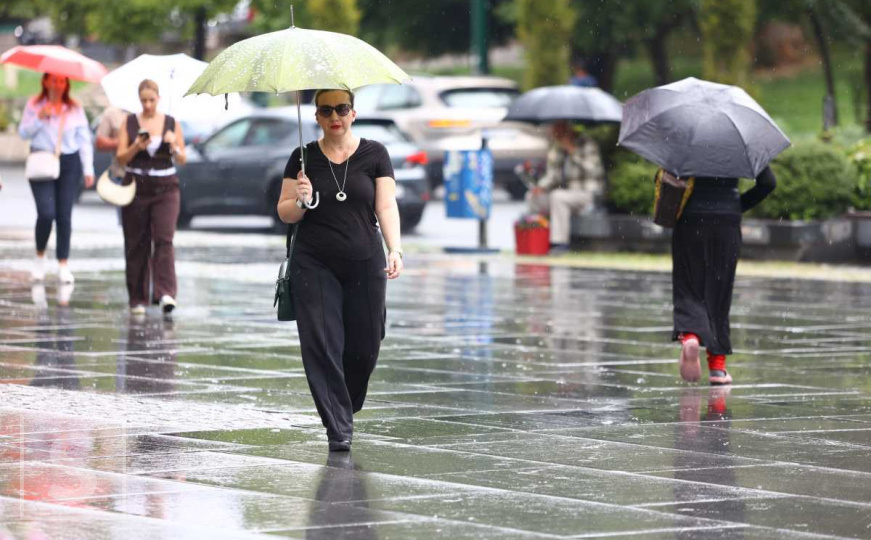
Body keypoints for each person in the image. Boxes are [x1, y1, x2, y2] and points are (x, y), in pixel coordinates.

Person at [277, 89, 403, 452]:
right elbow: (284, 211)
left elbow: (387, 206)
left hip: (365, 259)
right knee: (322, 344)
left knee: (365, 346)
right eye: (326, 109)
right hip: (313, 263)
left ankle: (345, 403)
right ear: (316, 116)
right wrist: (300, 199)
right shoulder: (301, 157)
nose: (335, 115)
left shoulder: (375, 153)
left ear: (353, 113)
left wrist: (395, 249)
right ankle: (338, 426)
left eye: (341, 108)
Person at [672, 166, 776, 386]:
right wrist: (737, 205)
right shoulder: (739, 140)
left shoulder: (687, 139)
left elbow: (667, 180)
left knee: (689, 285)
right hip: (727, 221)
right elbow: (768, 183)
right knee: (720, 291)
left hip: (691, 217)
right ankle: (717, 367)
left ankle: (691, 335)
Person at [115, 79, 186, 315]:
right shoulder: (130, 121)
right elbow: (121, 158)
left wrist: (174, 145)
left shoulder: (171, 123)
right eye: (144, 100)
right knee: (136, 242)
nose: (147, 105)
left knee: (164, 238)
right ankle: (137, 297)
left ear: (159, 98)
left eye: (151, 100)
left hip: (166, 186)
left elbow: (183, 158)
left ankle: (165, 292)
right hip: (136, 185)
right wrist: (136, 145)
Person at [18, 73, 95, 284]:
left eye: (62, 81)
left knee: (64, 215)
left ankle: (63, 263)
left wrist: (88, 168)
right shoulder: (35, 105)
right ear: (44, 81)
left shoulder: (74, 108)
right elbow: (23, 133)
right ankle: (40, 255)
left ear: (66, 84)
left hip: (69, 163)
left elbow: (84, 140)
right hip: (42, 161)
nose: (57, 85)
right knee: (46, 213)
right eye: (53, 80)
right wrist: (39, 118)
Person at [527, 120, 605, 253]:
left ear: (568, 128)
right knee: (533, 197)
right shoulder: (557, 147)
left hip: (586, 194)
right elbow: (553, 176)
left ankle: (559, 243)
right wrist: (540, 187)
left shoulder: (587, 143)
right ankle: (537, 239)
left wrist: (573, 152)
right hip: (564, 194)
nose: (555, 133)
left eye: (559, 129)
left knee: (558, 197)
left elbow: (594, 170)